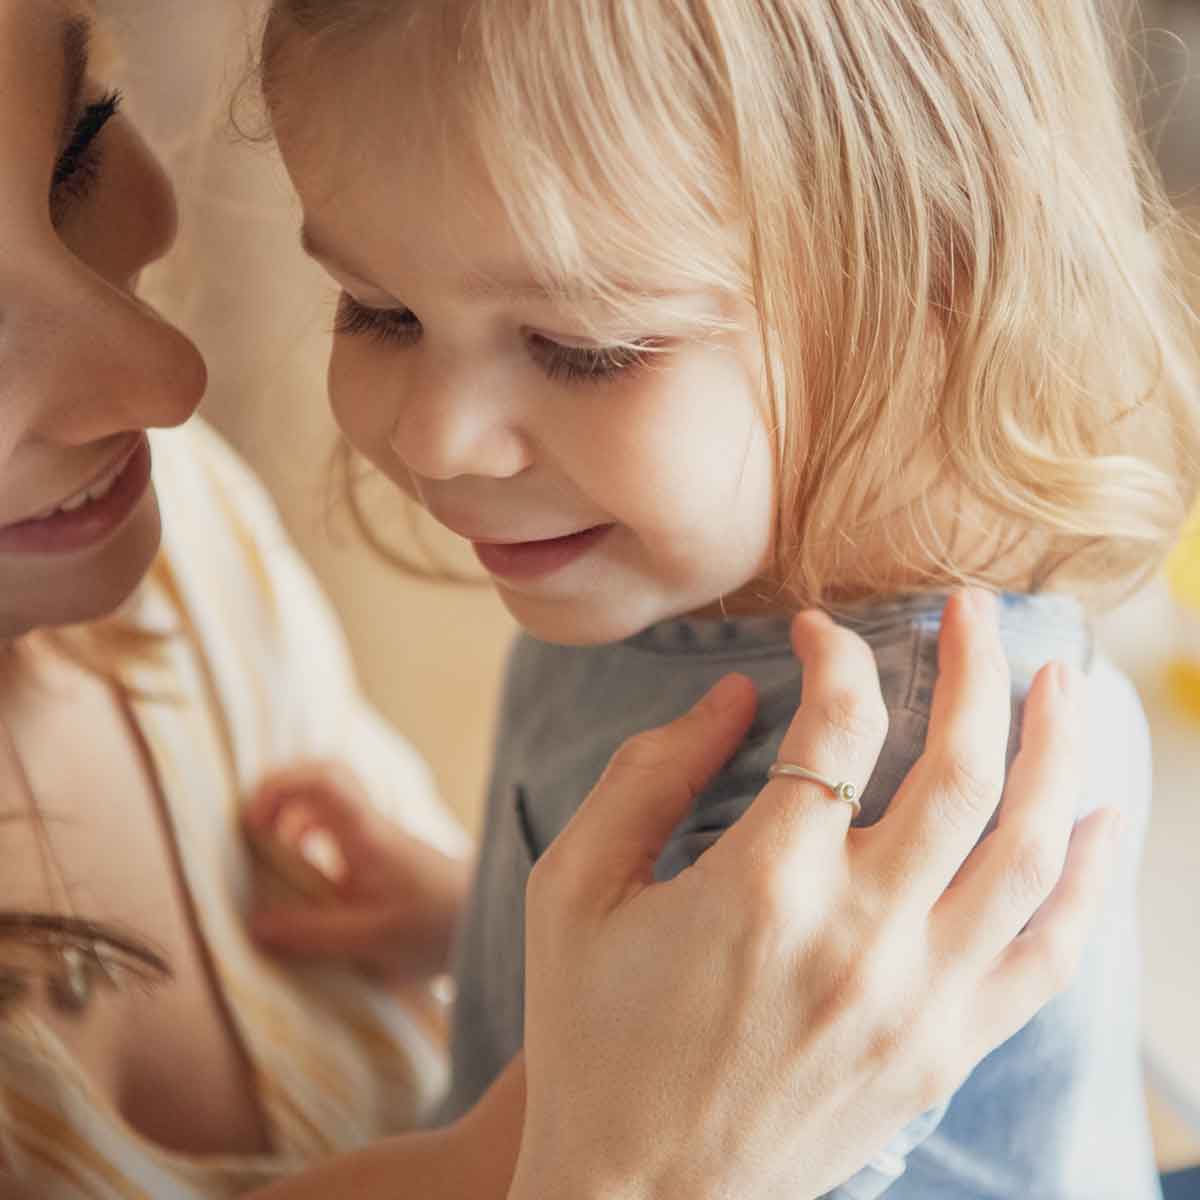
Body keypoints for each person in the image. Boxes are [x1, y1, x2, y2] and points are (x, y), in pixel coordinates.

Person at [0, 0, 1125, 1197]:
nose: (435, 437)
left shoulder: (878, 775)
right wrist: (489, 929)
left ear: (924, 290)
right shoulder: (677, 570)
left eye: (584, 347)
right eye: (378, 311)